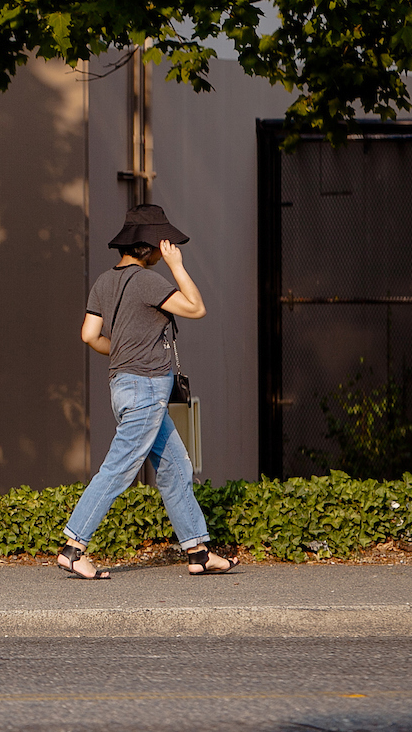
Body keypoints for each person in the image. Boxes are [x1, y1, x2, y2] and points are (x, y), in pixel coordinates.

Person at [57, 204, 238, 579]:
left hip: (123, 386)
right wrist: (177, 266)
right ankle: (74, 547)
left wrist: (122, 350)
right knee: (119, 468)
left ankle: (198, 552)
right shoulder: (148, 281)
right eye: (163, 244)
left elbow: (89, 336)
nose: (165, 249)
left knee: (175, 467)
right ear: (150, 246)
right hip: (147, 389)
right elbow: (197, 307)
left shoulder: (104, 282)